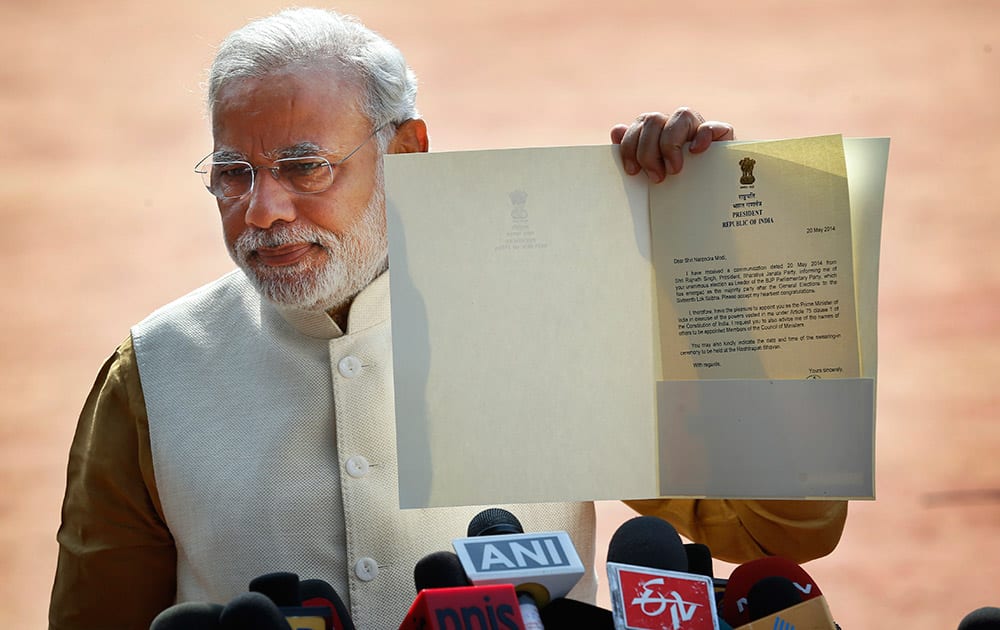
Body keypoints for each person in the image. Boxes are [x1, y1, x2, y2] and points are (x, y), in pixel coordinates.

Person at [48, 7, 847, 629]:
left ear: (408, 151)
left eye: (303, 165)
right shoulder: (153, 374)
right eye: (233, 173)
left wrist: (703, 253)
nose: (262, 210)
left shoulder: (549, 317)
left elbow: (782, 525)